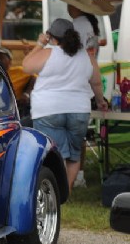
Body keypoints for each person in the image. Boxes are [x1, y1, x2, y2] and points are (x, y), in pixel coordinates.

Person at [22, 18, 107, 193]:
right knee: (74, 155)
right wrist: (100, 101)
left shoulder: (48, 52)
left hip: (48, 110)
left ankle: (52, 192)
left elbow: (26, 66)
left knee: (52, 153)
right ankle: (64, 192)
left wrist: (39, 44)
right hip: (79, 110)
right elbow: (96, 83)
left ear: (51, 37)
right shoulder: (87, 56)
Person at [48, 0, 115, 57]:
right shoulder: (89, 23)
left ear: (76, 7)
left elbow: (70, 52)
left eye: (70, 4)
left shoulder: (78, 25)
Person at [0, 47, 35, 124]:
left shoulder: (18, 71)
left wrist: (26, 93)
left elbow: (34, 77)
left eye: (1, 57)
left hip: (14, 111)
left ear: (10, 61)